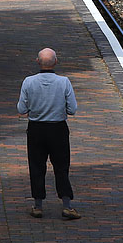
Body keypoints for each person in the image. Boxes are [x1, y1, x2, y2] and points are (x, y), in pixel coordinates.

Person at [17, 47, 79, 220]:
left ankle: (38, 205)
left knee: (37, 166)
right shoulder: (64, 82)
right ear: (56, 62)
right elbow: (72, 109)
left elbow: (21, 108)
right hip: (58, 129)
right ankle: (67, 204)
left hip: (36, 129)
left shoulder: (28, 81)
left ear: (37, 62)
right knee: (61, 167)